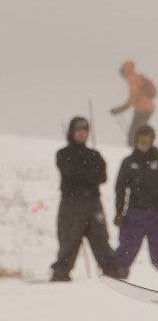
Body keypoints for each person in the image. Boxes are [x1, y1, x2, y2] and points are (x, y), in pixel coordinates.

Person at [49, 117, 121, 281]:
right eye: (78, 130)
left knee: (102, 241)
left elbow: (102, 176)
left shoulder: (94, 155)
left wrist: (83, 175)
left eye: (85, 130)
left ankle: (114, 277)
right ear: (72, 132)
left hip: (93, 204)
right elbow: (70, 175)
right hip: (71, 204)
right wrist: (88, 175)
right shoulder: (63, 154)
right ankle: (60, 277)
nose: (82, 134)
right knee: (68, 243)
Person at [114, 125, 158, 278]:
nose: (143, 143)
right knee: (126, 248)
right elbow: (120, 189)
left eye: (146, 139)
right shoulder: (128, 162)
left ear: (152, 141)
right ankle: (115, 277)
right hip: (134, 215)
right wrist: (119, 213)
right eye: (140, 139)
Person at [110, 60, 157, 148]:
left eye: (122, 72)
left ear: (125, 70)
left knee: (135, 132)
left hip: (143, 109)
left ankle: (134, 149)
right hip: (146, 108)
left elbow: (133, 96)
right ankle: (140, 147)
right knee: (138, 130)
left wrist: (122, 108)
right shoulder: (137, 77)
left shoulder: (132, 79)